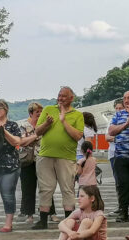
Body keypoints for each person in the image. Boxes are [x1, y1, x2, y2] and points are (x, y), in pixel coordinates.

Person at [33, 86, 84, 230]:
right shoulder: (49, 109)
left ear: (71, 98)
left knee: (67, 188)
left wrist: (63, 121)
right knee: (45, 188)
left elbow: (78, 136)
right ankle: (43, 220)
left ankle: (69, 220)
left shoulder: (77, 115)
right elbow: (37, 131)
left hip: (66, 157)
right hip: (45, 155)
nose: (60, 98)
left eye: (64, 96)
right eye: (59, 95)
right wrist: (47, 123)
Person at [39, 185, 108, 240]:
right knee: (69, 221)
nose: (79, 199)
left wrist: (76, 236)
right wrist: (70, 233)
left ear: (92, 198)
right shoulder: (79, 212)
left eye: (82, 196)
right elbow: (61, 224)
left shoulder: (99, 214)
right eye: (78, 196)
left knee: (86, 221)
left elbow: (92, 231)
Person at [108, 91, 129, 222]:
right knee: (122, 184)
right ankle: (123, 212)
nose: (127, 100)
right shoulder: (118, 114)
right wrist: (126, 124)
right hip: (120, 156)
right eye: (125, 98)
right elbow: (111, 131)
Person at [0, 99, 21, 232]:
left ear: (6, 110)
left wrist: (3, 130)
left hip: (9, 165)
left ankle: (8, 223)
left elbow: (16, 142)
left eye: (0, 107)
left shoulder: (13, 125)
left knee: (7, 194)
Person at [18, 102, 43, 224]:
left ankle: (50, 212)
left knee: (45, 187)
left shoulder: (44, 125)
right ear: (31, 113)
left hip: (42, 158)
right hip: (27, 159)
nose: (39, 114)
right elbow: (23, 141)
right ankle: (29, 214)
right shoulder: (23, 125)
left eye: (41, 111)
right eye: (37, 111)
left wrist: (31, 137)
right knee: (28, 187)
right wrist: (36, 136)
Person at [105, 98, 124, 216]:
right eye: (116, 108)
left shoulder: (128, 120)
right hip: (114, 154)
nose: (118, 110)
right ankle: (121, 205)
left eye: (120, 108)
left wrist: (115, 137)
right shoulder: (111, 121)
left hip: (128, 154)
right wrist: (121, 138)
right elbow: (107, 138)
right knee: (118, 181)